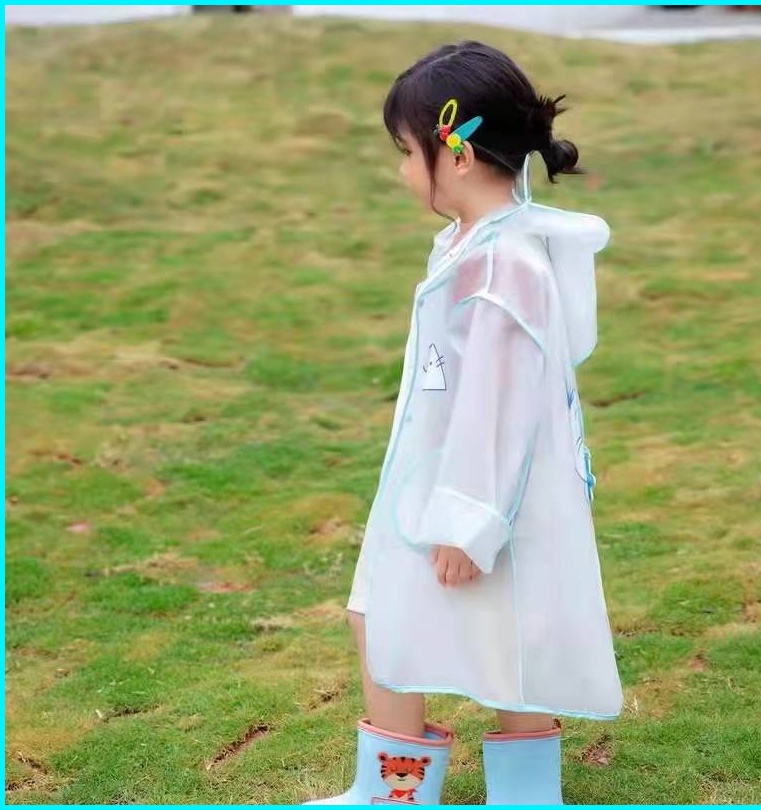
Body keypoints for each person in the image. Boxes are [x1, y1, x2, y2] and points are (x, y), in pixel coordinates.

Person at [305, 40, 623, 806]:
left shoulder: (506, 263)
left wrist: (469, 521)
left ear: (457, 154)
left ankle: (486, 795)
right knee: (396, 614)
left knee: (509, 634)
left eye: (405, 151)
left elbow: (500, 402)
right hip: (435, 472)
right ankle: (397, 789)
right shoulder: (470, 244)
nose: (400, 171)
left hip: (481, 493)